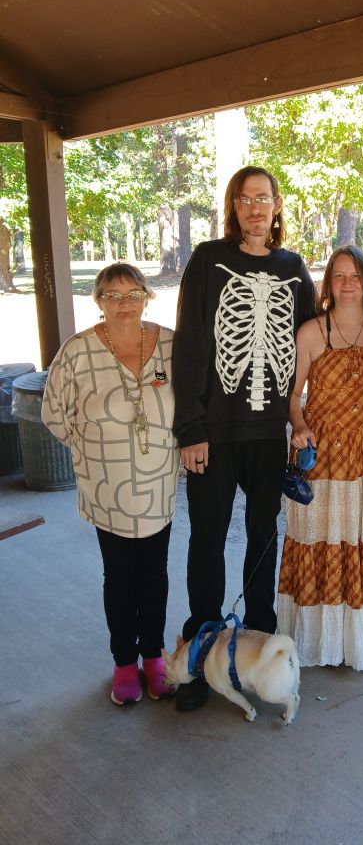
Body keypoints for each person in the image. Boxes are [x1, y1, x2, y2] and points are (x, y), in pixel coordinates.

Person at [172, 165, 317, 711]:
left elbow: (310, 346)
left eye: (263, 198)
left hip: (266, 436)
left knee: (262, 538)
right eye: (245, 198)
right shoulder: (209, 260)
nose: (255, 207)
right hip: (213, 435)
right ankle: (200, 652)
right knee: (207, 539)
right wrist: (191, 427)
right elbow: (190, 344)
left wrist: (302, 420)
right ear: (233, 207)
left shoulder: (293, 269)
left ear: (277, 206)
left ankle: (257, 648)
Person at [42, 263, 180, 706]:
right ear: (99, 301)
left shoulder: (172, 345)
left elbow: (192, 401)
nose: (124, 303)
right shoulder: (77, 351)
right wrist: (91, 450)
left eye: (133, 293)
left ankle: (153, 657)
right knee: (119, 576)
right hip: (107, 485)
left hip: (157, 483)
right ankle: (124, 661)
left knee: (155, 574)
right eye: (113, 295)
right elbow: (53, 412)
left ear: (147, 298)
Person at [277, 246, 363, 669]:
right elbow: (293, 396)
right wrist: (299, 427)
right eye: (339, 276)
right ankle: (324, 642)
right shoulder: (312, 332)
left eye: (356, 276)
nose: (348, 283)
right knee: (326, 536)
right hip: (323, 450)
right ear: (328, 283)